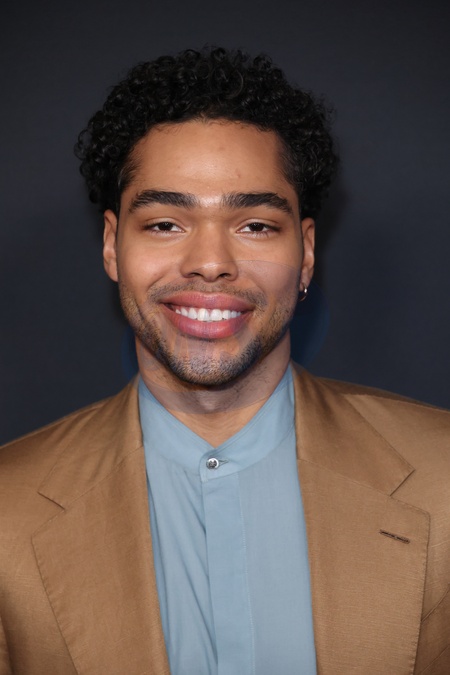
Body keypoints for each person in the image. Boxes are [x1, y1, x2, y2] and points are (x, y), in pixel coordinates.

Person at [0, 47, 448, 675]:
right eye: (165, 224)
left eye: (255, 225)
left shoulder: (442, 480)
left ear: (307, 252)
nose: (210, 263)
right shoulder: (7, 509)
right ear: (111, 246)